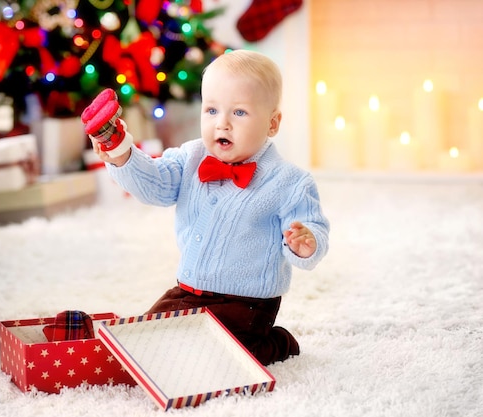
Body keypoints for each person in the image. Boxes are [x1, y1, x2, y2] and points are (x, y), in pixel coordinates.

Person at [84, 49, 330, 365]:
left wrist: (306, 242)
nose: (222, 124)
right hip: (188, 291)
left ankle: (276, 343)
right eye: (211, 110)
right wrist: (121, 152)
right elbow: (155, 184)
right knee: (146, 343)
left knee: (221, 357)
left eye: (239, 113)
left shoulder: (289, 182)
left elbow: (313, 227)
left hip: (247, 303)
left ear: (272, 124)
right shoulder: (190, 157)